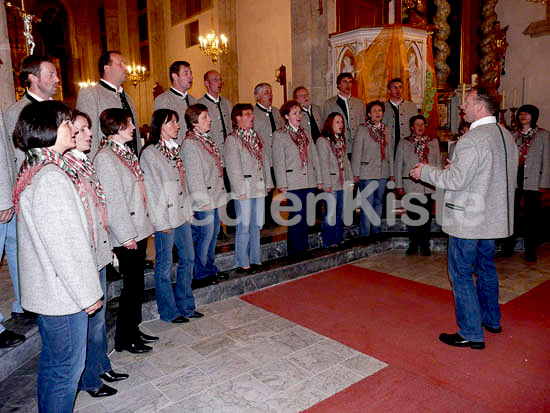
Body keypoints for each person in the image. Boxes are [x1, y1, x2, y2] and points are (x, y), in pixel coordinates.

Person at [410, 87, 518, 349]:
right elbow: (488, 174)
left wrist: (425, 171)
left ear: (480, 106)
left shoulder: (472, 139)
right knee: (486, 269)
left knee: (460, 273)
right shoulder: (505, 135)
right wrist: (455, 168)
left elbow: (455, 181)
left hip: (468, 219)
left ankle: (471, 331)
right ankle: (491, 320)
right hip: (491, 217)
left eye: (467, 102)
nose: (462, 107)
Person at [12, 101, 103, 411]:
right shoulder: (51, 176)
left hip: (53, 290)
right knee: (67, 370)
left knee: (55, 366)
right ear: (48, 130)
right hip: (63, 294)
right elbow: (66, 246)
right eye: (66, 124)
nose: (73, 129)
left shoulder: (38, 167)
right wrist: (88, 294)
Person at [64, 110, 128, 398]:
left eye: (90, 129)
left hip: (98, 251)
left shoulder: (85, 164)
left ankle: (101, 363)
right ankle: (89, 379)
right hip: (85, 256)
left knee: (99, 319)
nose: (89, 134)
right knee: (91, 322)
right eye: (81, 129)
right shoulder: (67, 168)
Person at [94, 108, 156, 354]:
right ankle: (124, 338)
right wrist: (125, 235)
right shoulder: (105, 158)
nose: (133, 127)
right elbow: (113, 200)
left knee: (137, 285)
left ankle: (134, 329)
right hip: (127, 233)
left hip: (137, 227)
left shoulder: (124, 152)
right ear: (117, 127)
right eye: (129, 123)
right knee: (131, 288)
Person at [3, 55, 59, 321]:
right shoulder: (16, 112)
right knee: (25, 251)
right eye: (51, 74)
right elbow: (15, 159)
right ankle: (28, 301)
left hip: (57, 189)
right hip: (32, 193)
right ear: (33, 78)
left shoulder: (58, 108)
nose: (57, 79)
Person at [140, 109, 203, 322]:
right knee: (164, 266)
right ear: (161, 126)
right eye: (173, 122)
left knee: (188, 259)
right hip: (165, 218)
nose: (177, 126)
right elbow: (153, 190)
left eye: (177, 122)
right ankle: (168, 311)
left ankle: (186, 305)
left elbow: (181, 185)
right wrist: (160, 222)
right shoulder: (150, 153)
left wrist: (188, 211)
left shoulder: (174, 150)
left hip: (181, 214)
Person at [181, 104, 229, 286]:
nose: (209, 120)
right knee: (205, 236)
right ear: (194, 123)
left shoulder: (206, 140)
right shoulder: (191, 144)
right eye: (204, 117)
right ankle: (200, 273)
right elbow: (193, 176)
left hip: (215, 195)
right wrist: (203, 201)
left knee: (214, 233)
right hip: (204, 199)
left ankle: (209, 267)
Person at [224, 103, 273, 273]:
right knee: (244, 226)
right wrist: (239, 190)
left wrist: (268, 183)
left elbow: (264, 160)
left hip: (258, 186)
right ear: (237, 118)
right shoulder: (233, 139)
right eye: (247, 114)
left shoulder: (255, 136)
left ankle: (255, 258)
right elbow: (233, 167)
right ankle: (242, 261)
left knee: (256, 224)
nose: (251, 117)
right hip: (244, 188)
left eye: (252, 114)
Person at [499, 104, 550, 261]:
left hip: (533, 180)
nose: (523, 116)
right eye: (521, 114)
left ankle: (530, 250)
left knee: (531, 218)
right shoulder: (512, 135)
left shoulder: (543, 135)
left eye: (527, 114)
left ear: (533, 116)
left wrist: (544, 183)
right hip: (514, 180)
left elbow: (547, 160)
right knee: (510, 215)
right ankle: (508, 247)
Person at [272, 100, 322, 258]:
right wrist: (282, 184)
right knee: (296, 216)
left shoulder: (305, 132)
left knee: (306, 216)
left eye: (300, 112)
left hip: (308, 181)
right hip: (292, 182)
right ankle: (294, 251)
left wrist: (319, 178)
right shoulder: (280, 135)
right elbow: (278, 161)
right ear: (286, 116)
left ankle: (303, 248)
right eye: (294, 113)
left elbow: (314, 156)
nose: (298, 115)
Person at [77, 51, 141, 156]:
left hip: (131, 162)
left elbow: (136, 136)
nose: (125, 68)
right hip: (107, 163)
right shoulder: (91, 93)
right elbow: (88, 134)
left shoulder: (127, 97)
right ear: (106, 68)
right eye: (120, 64)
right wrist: (95, 166)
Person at [395, 115, 440, 256]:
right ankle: (413, 244)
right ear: (411, 127)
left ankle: (425, 245)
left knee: (426, 218)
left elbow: (438, 164)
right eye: (417, 124)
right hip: (410, 185)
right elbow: (398, 165)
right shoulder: (404, 143)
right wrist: (398, 185)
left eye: (422, 124)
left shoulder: (433, 142)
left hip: (428, 186)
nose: (420, 127)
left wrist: (438, 183)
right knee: (413, 217)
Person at [198, 70, 233, 241]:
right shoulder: (200, 104)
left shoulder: (227, 103)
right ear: (206, 83)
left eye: (220, 79)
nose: (218, 82)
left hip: (229, 156)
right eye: (214, 80)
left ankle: (232, 224)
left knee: (230, 191)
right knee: (216, 194)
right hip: (212, 158)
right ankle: (217, 228)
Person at [352, 100, 394, 238]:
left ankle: (376, 230)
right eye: (374, 111)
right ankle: (365, 233)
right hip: (367, 172)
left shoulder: (386, 129)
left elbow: (389, 152)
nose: (377, 113)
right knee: (367, 203)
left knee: (378, 202)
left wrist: (392, 173)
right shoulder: (362, 129)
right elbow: (357, 152)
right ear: (369, 114)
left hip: (383, 172)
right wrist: (355, 173)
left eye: (380, 111)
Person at [316, 112, 353, 248]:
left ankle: (338, 238)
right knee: (330, 212)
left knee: (340, 211)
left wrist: (350, 180)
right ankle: (328, 240)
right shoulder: (322, 140)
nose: (341, 125)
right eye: (337, 122)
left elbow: (346, 161)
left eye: (342, 122)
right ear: (330, 123)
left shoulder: (340, 139)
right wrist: (327, 183)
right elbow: (323, 163)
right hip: (331, 181)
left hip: (342, 181)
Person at [253, 83, 283, 227]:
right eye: (266, 93)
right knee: (264, 189)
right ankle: (262, 218)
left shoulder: (277, 112)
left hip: (277, 157)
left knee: (274, 188)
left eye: (270, 92)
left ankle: (270, 216)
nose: (270, 95)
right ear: (257, 96)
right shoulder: (253, 114)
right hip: (263, 159)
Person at [322, 72, 366, 156]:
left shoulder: (359, 103)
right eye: (345, 82)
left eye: (350, 82)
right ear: (338, 85)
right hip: (338, 146)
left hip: (357, 146)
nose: (348, 85)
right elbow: (327, 127)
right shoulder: (329, 103)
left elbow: (362, 125)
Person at [153, 61, 196, 143]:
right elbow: (162, 132)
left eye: (191, 73)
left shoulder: (193, 100)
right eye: (186, 73)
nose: (190, 77)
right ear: (175, 76)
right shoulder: (163, 100)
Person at [382, 78, 419, 157]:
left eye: (400, 87)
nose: (398, 90)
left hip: (407, 147)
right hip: (389, 147)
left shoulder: (411, 107)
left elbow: (416, 127)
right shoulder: (383, 107)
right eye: (395, 87)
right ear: (389, 90)